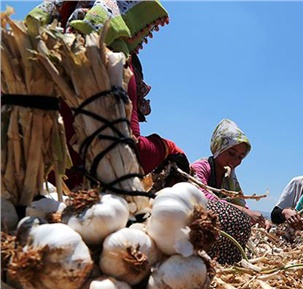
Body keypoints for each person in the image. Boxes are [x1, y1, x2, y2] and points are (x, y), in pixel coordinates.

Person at [25, 0, 189, 191]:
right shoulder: (113, 62)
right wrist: (167, 147)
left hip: (21, 189)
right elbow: (130, 153)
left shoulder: (35, 49)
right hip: (74, 197)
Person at [190, 119, 270, 264]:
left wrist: (257, 220)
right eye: (231, 153)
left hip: (212, 229)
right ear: (219, 147)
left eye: (240, 157)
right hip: (194, 223)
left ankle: (226, 262)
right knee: (234, 217)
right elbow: (203, 197)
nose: (235, 160)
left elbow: (239, 203)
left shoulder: (230, 178)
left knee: (241, 221)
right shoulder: (200, 167)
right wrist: (243, 212)